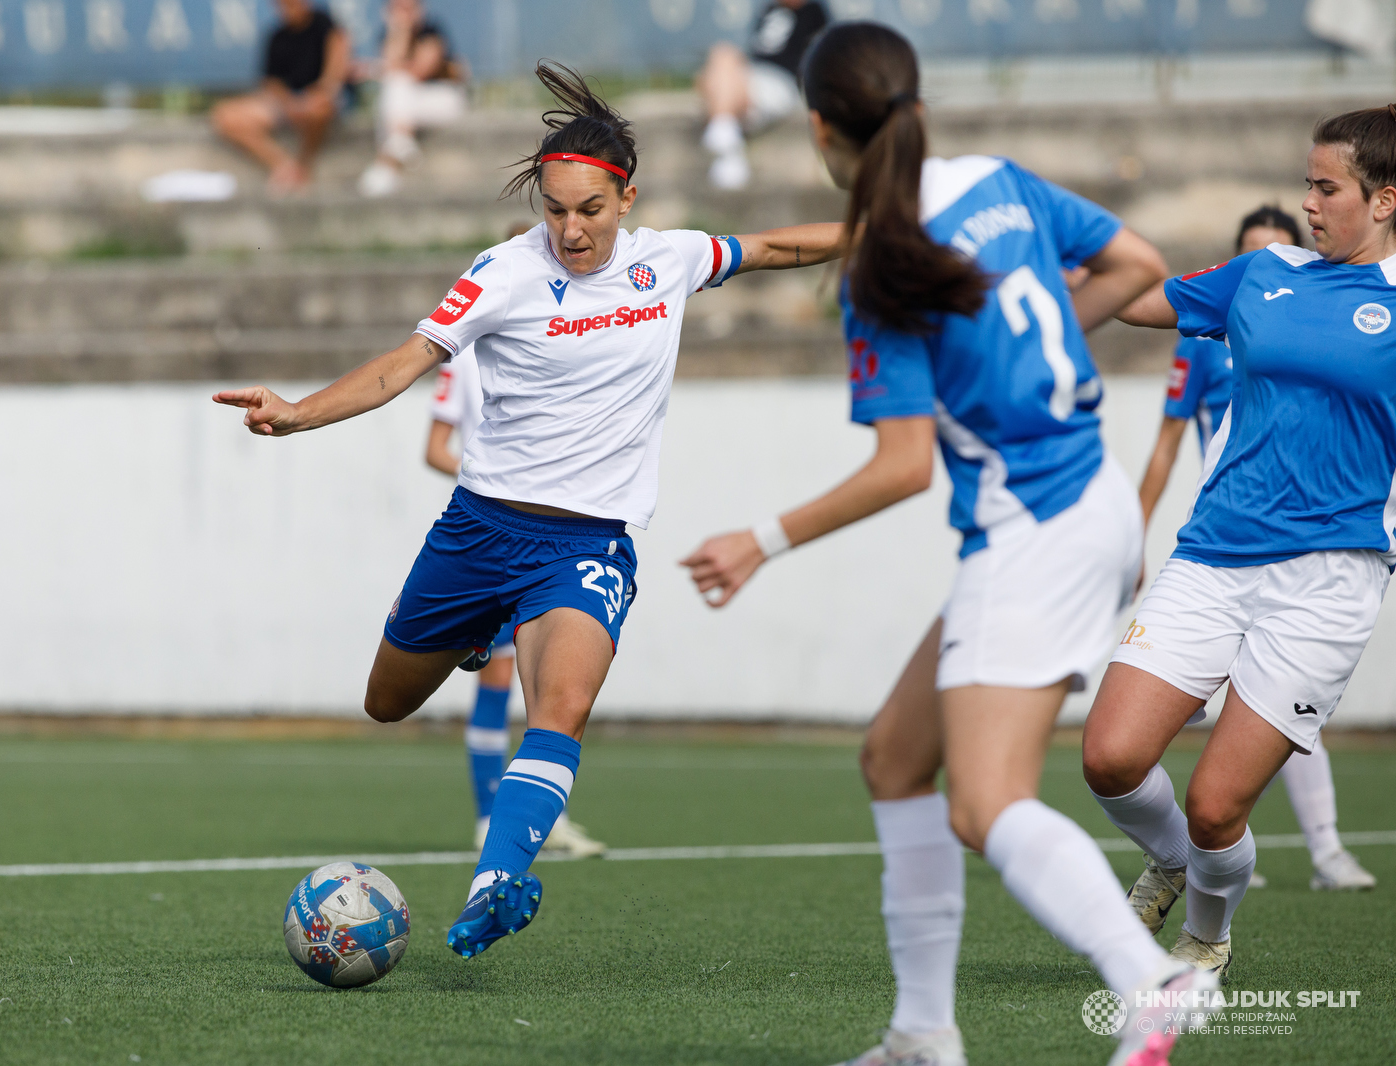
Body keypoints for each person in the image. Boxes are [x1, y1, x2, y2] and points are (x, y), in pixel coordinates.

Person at [215, 61, 848, 961]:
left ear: (625, 198)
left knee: (562, 704)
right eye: (554, 210)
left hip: (586, 543)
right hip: (479, 532)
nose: (570, 228)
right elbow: (404, 364)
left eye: (589, 209)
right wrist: (299, 411)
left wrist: (886, 227)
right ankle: (478, 629)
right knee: (386, 703)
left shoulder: (669, 260)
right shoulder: (502, 274)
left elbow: (779, 249)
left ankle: (495, 882)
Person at [681, 23, 1214, 1066]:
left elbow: (901, 467)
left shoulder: (883, 265)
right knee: (893, 759)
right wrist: (1032, 335)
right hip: (1089, 498)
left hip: (1033, 530)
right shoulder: (998, 182)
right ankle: (922, 1034)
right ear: (916, 107)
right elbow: (1137, 264)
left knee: (985, 802)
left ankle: (1151, 982)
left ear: (821, 130)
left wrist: (760, 539)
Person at [1083, 105, 1396, 986]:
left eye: (1326, 187)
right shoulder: (1263, 273)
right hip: (1214, 554)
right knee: (1108, 757)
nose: (1309, 202)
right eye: (1307, 182)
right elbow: (1145, 301)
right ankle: (1174, 861)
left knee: (1217, 805)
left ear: (1384, 201)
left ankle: (1207, 938)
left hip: (1328, 580)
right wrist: (1047, 291)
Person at [1135, 204, 1377, 896]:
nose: (1267, 258)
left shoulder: (1340, 320)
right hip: (1225, 538)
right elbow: (1165, 441)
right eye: (1251, 251)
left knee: (1276, 720)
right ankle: (1197, 849)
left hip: (1313, 555)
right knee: (1151, 732)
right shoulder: (1210, 334)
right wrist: (1136, 530)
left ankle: (1323, 852)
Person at [423, 272, 606, 861]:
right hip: (496, 536)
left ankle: (532, 817)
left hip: (556, 540)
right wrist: (500, 491)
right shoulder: (466, 354)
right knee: (501, 680)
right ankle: (487, 816)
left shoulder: (571, 344)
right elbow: (435, 447)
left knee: (550, 685)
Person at [210, 0, 350, 193]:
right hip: (286, 104)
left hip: (319, 100)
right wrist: (290, 103)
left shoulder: (324, 24)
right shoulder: (276, 36)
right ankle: (286, 167)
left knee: (320, 108)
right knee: (225, 115)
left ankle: (303, 164)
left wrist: (324, 90)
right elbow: (271, 83)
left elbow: (338, 56)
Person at [697, 0, 828, 190]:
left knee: (723, 57)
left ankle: (723, 134)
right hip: (754, 77)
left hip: (781, 82)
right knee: (718, 62)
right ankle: (727, 140)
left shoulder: (813, 12)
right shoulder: (770, 10)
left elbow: (816, 59)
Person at [358, 0, 468, 198]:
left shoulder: (431, 30)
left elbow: (421, 70)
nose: (404, 13)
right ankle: (399, 145)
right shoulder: (388, 34)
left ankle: (386, 163)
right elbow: (391, 63)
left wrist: (381, 68)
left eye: (408, 8)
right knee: (394, 87)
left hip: (441, 97)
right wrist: (399, 31)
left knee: (396, 85)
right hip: (408, 105)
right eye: (398, 8)